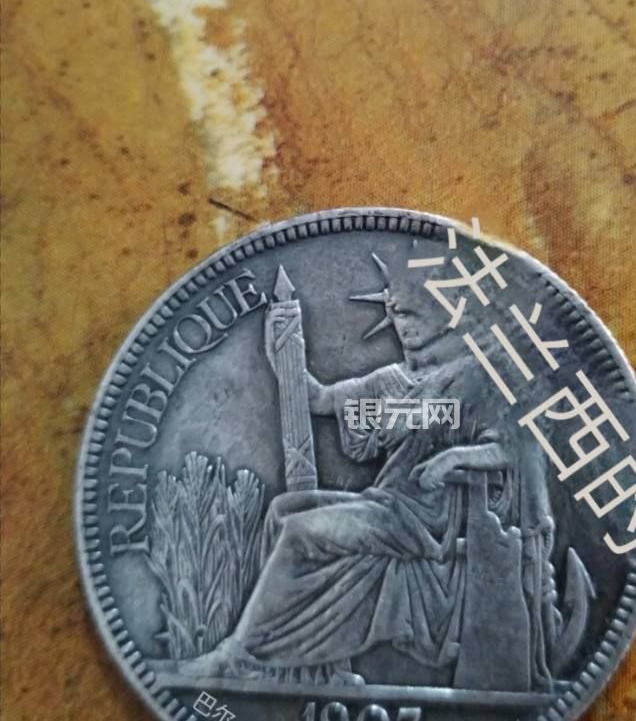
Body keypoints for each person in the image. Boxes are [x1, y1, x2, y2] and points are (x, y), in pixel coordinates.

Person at [180, 258, 559, 686]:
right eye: (397, 312)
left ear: (445, 312)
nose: (404, 324)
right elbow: (319, 399)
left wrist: (452, 458)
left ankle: (238, 658)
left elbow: (514, 449)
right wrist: (282, 351)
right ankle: (314, 670)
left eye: (415, 312)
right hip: (389, 506)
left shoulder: (475, 378)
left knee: (300, 532)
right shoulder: (393, 384)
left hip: (427, 521)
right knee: (285, 510)